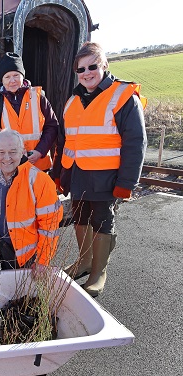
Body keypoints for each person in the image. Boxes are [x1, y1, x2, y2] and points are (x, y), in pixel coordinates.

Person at [53, 42, 147, 297]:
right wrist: (62, 174)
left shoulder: (124, 96)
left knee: (103, 220)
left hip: (108, 175)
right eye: (81, 69)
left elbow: (135, 142)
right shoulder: (72, 101)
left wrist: (127, 183)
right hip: (79, 174)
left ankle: (98, 273)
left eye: (92, 66)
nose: (87, 72)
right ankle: (84, 262)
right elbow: (66, 142)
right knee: (80, 217)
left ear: (104, 65)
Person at [0, 129, 63, 278]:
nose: (6, 158)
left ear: (23, 152)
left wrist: (43, 261)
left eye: (13, 152)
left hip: (25, 257)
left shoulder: (40, 181)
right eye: (1, 152)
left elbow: (50, 226)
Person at [0, 52, 59, 171]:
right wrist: (11, 151)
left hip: (39, 165)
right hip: (11, 167)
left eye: (16, 75)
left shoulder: (39, 97)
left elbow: (52, 126)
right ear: (2, 80)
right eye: (7, 77)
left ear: (22, 76)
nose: (12, 80)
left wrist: (40, 151)